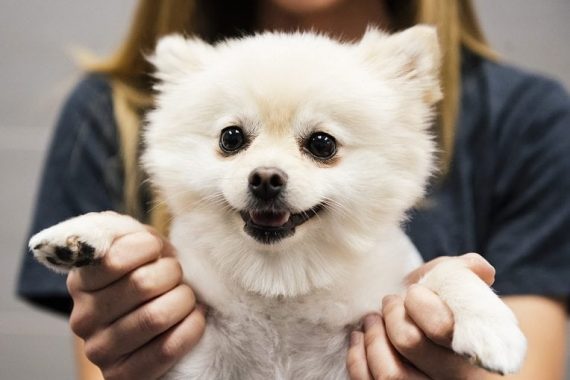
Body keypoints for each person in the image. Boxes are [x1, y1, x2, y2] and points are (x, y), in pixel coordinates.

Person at [17, 0, 570, 379]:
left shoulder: (530, 120)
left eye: (321, 145)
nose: (268, 173)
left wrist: (459, 322)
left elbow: (519, 363)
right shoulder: (105, 109)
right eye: (233, 140)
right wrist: (118, 275)